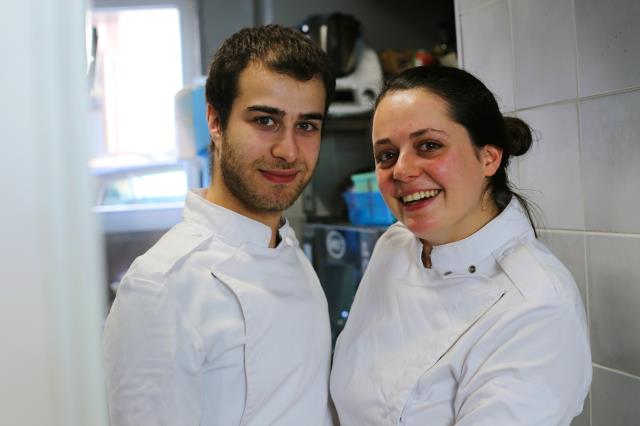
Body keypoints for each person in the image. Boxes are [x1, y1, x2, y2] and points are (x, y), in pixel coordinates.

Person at [330, 65, 591, 425]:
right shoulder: (394, 246)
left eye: (429, 146)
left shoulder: (537, 306)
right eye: (387, 155)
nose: (402, 171)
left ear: (489, 157)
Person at [103, 24, 336, 426]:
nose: (288, 150)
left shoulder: (288, 250)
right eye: (265, 121)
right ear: (215, 121)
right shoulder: (161, 287)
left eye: (307, 126)